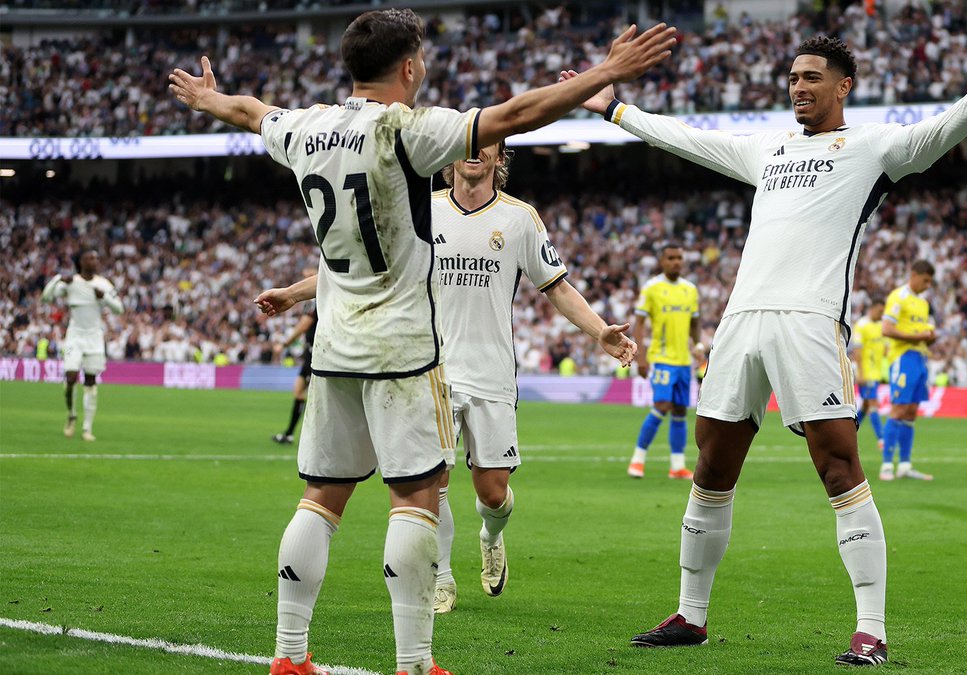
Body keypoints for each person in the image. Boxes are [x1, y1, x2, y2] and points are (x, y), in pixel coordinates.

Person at [169, 8, 676, 675]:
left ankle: (289, 655)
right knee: (418, 495)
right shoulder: (408, 129)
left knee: (320, 498)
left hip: (335, 347)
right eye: (424, 60)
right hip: (404, 344)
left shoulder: (305, 125)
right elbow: (515, 116)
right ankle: (414, 661)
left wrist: (208, 99)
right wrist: (607, 73)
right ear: (409, 67)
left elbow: (249, 110)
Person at [561, 21, 967, 666]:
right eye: (792, 78)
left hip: (810, 322)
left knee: (838, 466)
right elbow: (691, 140)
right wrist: (617, 109)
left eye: (812, 77)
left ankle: (870, 629)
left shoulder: (873, 147)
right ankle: (691, 615)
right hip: (741, 322)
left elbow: (941, 132)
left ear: (844, 86)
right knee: (711, 468)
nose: (799, 87)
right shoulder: (771, 149)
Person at [429, 141, 637, 613]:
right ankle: (440, 576)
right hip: (433, 370)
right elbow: (371, 267)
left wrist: (600, 330)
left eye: (487, 145)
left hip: (492, 373)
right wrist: (301, 295)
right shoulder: (424, 210)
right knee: (432, 481)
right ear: (451, 157)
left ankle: (491, 536)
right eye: (466, 143)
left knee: (494, 494)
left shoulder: (521, 218)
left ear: (500, 159)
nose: (475, 151)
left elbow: (557, 287)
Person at [627, 243, 703, 480]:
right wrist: (639, 355)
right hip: (661, 359)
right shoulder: (652, 288)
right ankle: (637, 460)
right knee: (662, 406)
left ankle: (677, 466)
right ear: (662, 261)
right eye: (671, 258)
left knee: (680, 411)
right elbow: (639, 323)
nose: (676, 262)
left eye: (679, 257)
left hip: (683, 361)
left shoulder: (690, 290)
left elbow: (695, 322)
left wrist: (698, 346)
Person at [41, 249, 124, 442]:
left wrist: (104, 297)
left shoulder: (103, 284)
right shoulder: (72, 283)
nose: (94, 261)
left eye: (96, 258)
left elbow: (119, 308)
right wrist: (58, 279)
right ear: (81, 262)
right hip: (73, 338)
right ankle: (71, 414)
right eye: (89, 258)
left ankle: (87, 428)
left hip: (95, 338)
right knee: (70, 376)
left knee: (90, 381)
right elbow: (45, 298)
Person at [880, 260, 937, 482]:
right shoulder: (898, 296)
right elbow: (887, 328)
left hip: (920, 357)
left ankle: (904, 465)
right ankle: (886, 465)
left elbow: (920, 333)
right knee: (899, 409)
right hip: (902, 359)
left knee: (912, 411)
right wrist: (918, 336)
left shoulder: (923, 303)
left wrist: (929, 338)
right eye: (925, 280)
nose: (927, 285)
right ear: (913, 274)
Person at [272, 299, 317, 444]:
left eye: (309, 273)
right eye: (305, 273)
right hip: (310, 353)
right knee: (298, 391)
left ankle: (316, 438)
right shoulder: (312, 301)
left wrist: (285, 344)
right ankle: (290, 434)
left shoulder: (316, 300)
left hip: (317, 354)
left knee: (318, 398)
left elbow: (304, 326)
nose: (306, 274)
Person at [851, 298, 887, 449]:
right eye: (880, 311)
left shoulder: (881, 325)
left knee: (866, 406)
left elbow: (885, 349)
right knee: (873, 404)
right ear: (872, 309)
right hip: (866, 373)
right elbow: (857, 350)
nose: (882, 314)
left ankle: (850, 431)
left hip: (876, 372)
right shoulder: (862, 325)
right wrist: (860, 373)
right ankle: (882, 439)